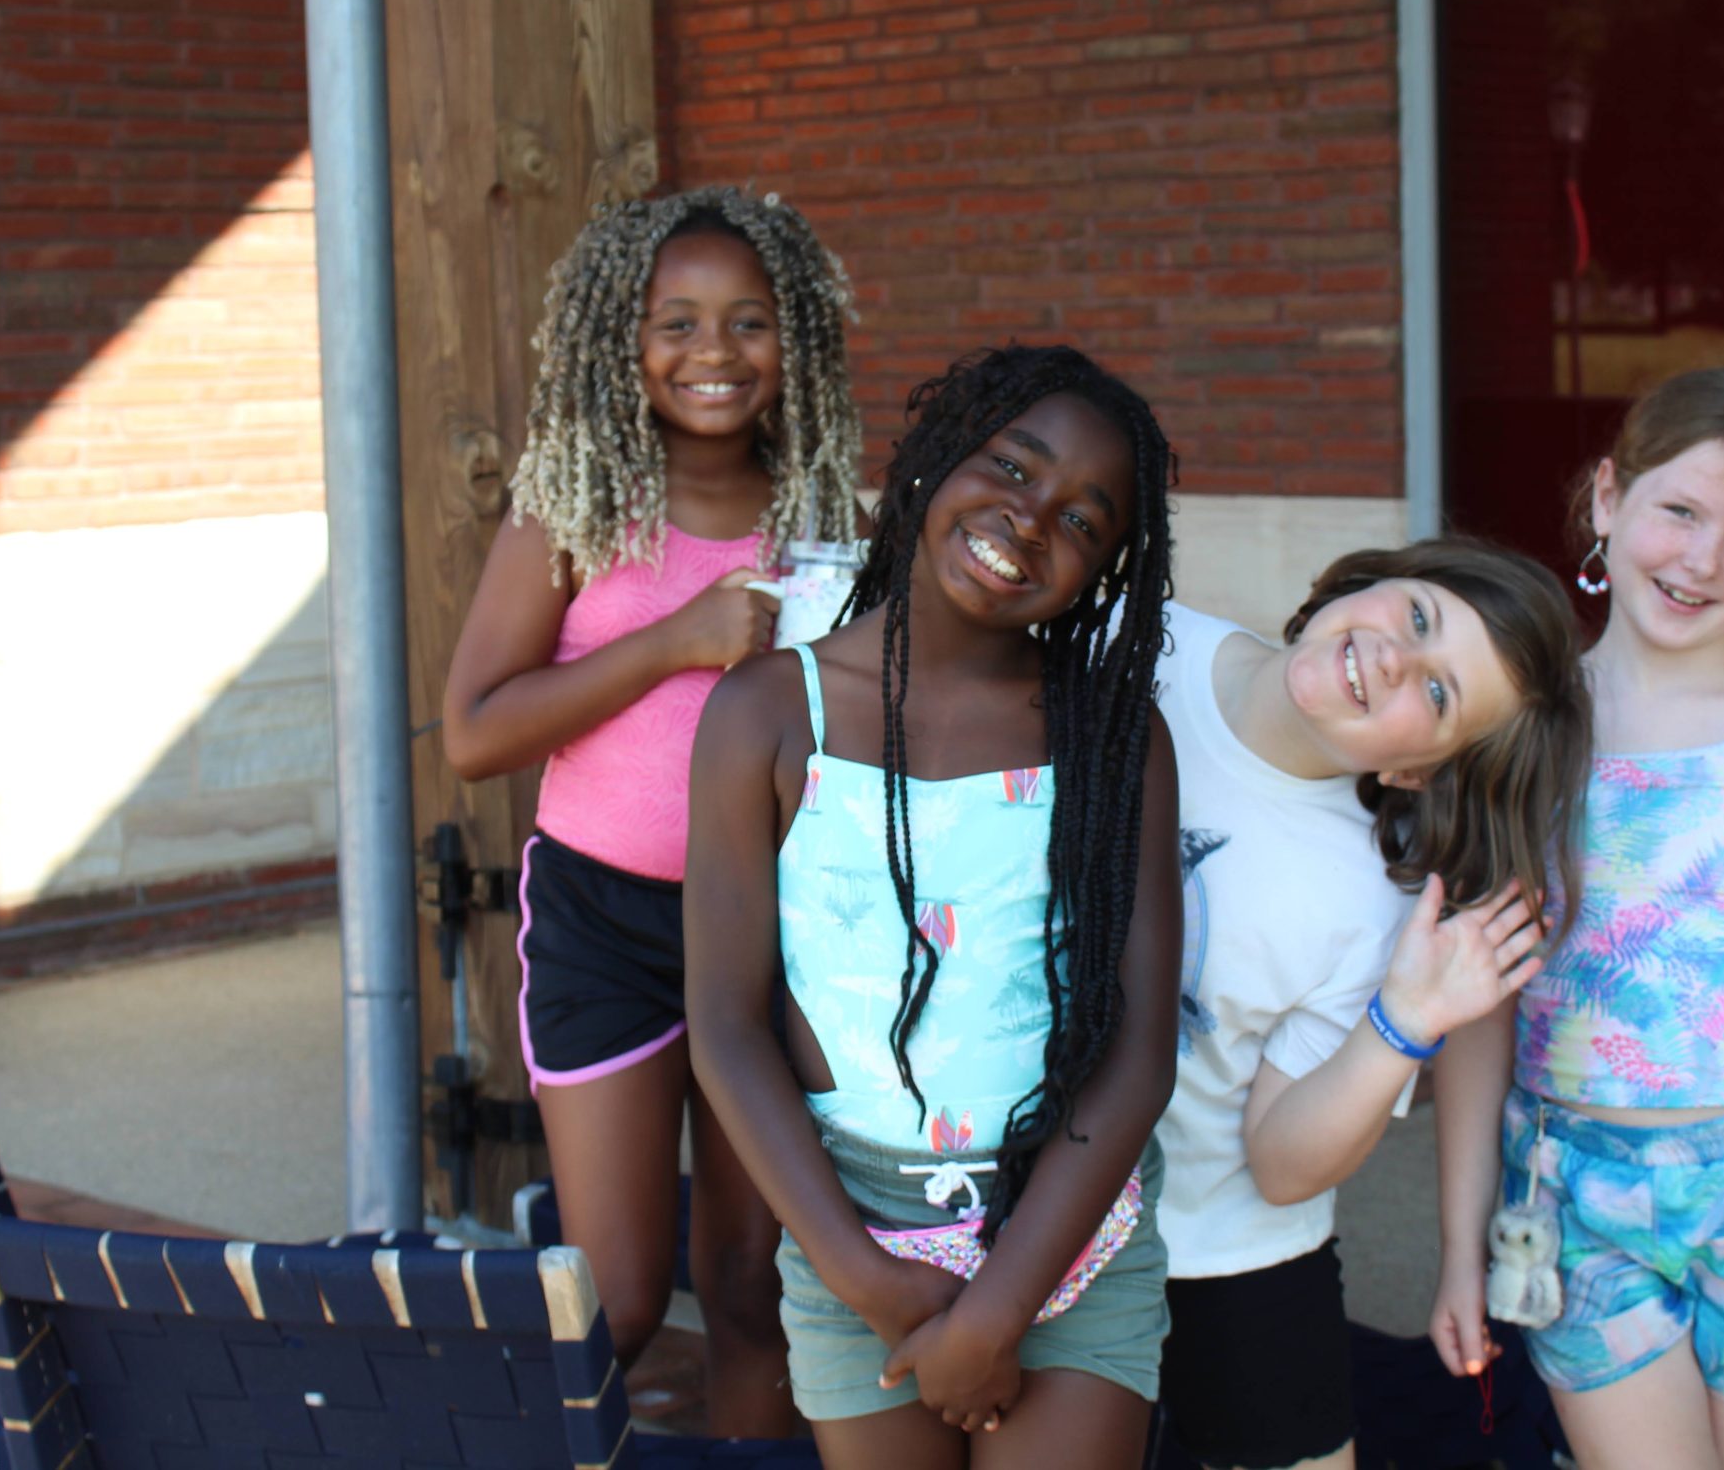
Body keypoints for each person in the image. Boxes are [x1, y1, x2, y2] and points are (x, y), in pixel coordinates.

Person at [685, 345, 1182, 1469]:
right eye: (1011, 466)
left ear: (1104, 569)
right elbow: (723, 1021)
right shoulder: (767, 711)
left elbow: (1140, 1050)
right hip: (845, 1226)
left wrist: (1000, 1306)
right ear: (934, 457)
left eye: (1082, 520)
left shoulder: (1112, 739)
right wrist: (865, 1276)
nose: (1029, 516)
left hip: (1064, 1234)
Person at [1429, 368, 1724, 1470]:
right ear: (1608, 499)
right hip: (1575, 1191)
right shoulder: (1522, 724)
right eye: (1679, 510)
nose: (1701, 559)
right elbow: (1477, 1013)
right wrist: (1460, 1246)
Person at [442, 185, 866, 1433]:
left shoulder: (829, 522)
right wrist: (678, 640)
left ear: (797, 342)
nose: (714, 353)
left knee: (750, 1288)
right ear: (616, 340)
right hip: (603, 924)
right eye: (673, 322)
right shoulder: (572, 510)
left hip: (771, 931)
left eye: (748, 321)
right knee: (619, 1299)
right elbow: (474, 732)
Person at [1154, 539, 1593, 1470]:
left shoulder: (1373, 903)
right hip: (1013, 1216)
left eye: (1438, 696)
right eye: (1420, 617)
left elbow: (1278, 1165)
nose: (1396, 657)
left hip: (1218, 1248)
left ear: (1421, 772)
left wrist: (1403, 1024)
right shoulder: (1134, 645)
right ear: (1372, 583)